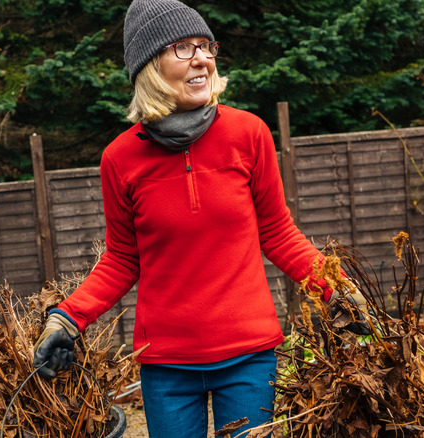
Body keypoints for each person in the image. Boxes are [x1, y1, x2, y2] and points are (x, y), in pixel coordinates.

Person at [32, 0, 342, 436]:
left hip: (249, 356)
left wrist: (341, 292)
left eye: (205, 45)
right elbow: (122, 259)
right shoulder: (120, 159)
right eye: (182, 47)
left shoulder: (249, 134)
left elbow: (277, 233)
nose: (202, 58)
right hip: (167, 367)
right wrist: (67, 318)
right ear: (150, 66)